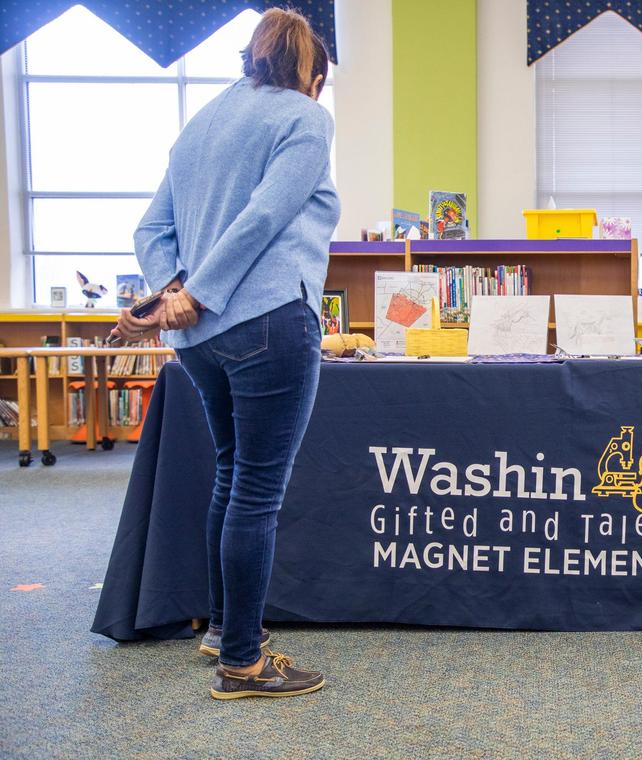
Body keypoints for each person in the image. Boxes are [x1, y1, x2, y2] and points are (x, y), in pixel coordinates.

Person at [112, 9, 341, 697]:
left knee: (232, 475)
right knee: (257, 493)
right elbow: (267, 214)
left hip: (203, 342)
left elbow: (150, 226)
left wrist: (175, 292)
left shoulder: (201, 124)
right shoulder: (305, 117)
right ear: (315, 75)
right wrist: (198, 293)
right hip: (268, 319)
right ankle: (242, 660)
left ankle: (220, 627)